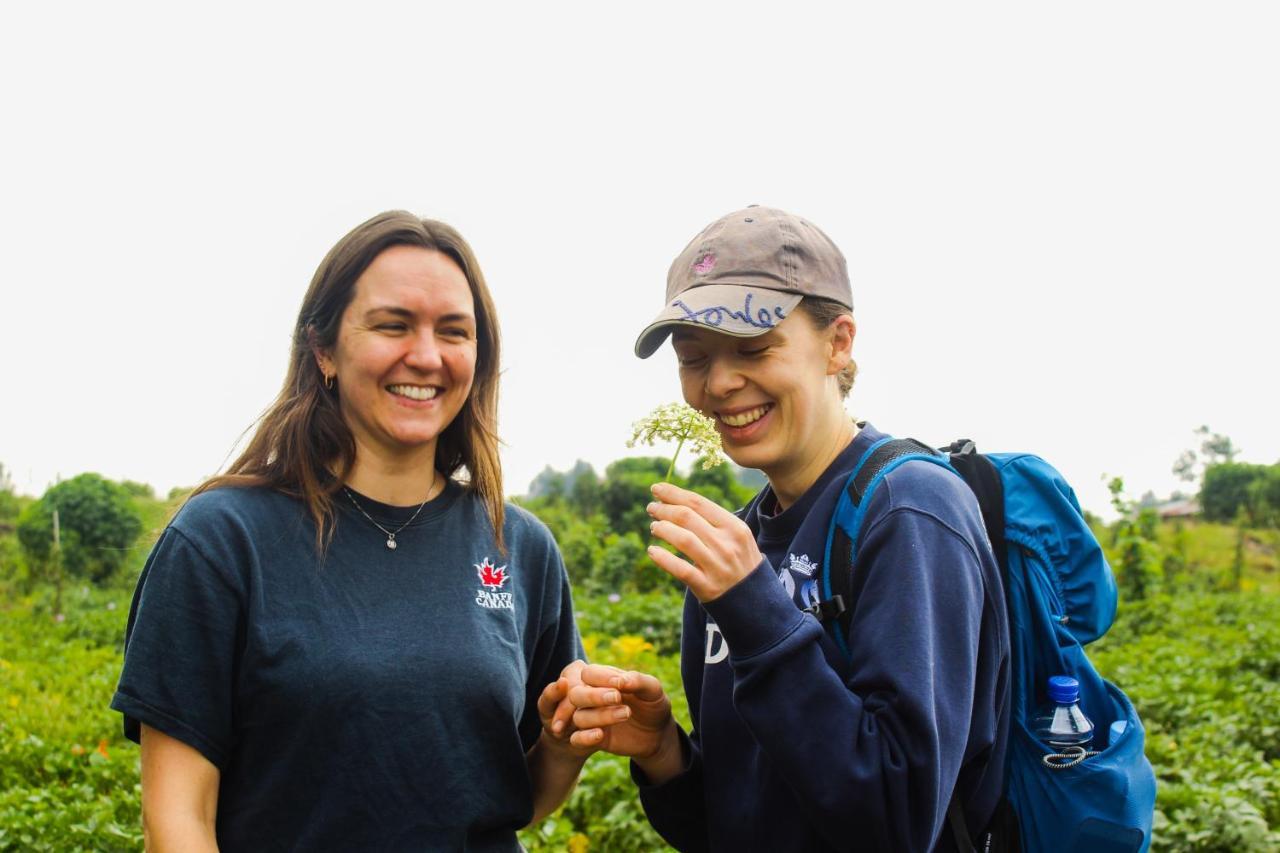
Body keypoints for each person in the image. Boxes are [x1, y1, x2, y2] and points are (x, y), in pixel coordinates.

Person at [110, 211, 590, 851]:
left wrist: (562, 749)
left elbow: (514, 802)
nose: (425, 356)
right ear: (324, 350)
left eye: (454, 331)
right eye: (393, 325)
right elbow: (178, 821)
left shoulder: (520, 546)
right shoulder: (222, 540)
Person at [560, 206, 1011, 851]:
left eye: (753, 348)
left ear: (839, 342)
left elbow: (899, 823)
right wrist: (663, 752)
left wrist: (756, 612)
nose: (719, 383)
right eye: (694, 358)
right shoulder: (737, 543)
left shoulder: (910, 511)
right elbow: (729, 824)